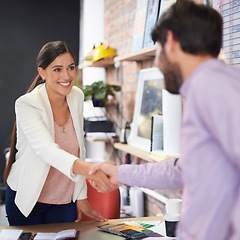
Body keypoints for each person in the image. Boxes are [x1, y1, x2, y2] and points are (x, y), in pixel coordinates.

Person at [89, 1, 240, 239]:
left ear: (169, 41)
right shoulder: (212, 85)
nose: (158, 63)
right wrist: (120, 173)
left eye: (157, 48)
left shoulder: (211, 88)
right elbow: (184, 169)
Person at [3, 41, 116, 226]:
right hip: (28, 199)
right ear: (42, 72)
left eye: (71, 67)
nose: (67, 75)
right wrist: (90, 170)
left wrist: (81, 195)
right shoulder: (27, 104)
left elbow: (79, 148)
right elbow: (47, 150)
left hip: (63, 200)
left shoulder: (77, 96)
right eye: (57, 69)